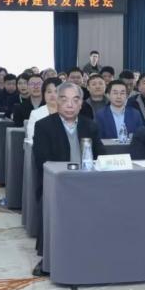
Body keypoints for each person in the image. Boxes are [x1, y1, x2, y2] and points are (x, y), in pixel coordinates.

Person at [31, 82, 104, 261]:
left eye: (75, 100)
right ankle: (51, 258)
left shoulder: (90, 126)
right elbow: (42, 162)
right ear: (57, 101)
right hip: (57, 183)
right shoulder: (43, 126)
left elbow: (101, 157)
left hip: (88, 182)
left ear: (81, 104)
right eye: (64, 100)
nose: (70, 105)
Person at [26, 77, 61, 141]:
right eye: (49, 92)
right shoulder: (35, 114)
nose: (52, 95)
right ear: (43, 94)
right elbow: (32, 138)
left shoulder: (68, 112)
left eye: (56, 91)